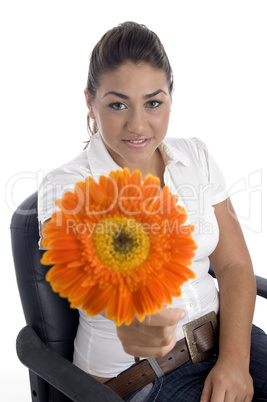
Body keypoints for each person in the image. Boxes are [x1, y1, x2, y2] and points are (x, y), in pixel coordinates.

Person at [38, 21, 267, 401]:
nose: (138, 124)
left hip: (230, 342)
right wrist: (135, 320)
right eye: (117, 104)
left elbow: (234, 266)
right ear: (89, 101)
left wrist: (234, 363)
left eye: (153, 103)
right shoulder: (66, 185)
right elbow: (84, 258)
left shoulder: (195, 156)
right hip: (147, 376)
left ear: (170, 98)